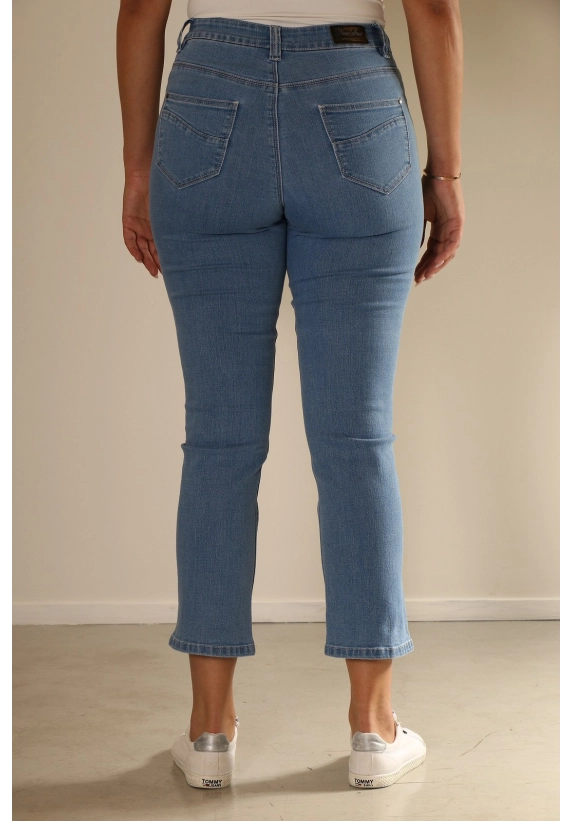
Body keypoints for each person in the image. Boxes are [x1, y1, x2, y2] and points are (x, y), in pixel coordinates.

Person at [117, 0, 464, 791]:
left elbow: (139, 11)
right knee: (357, 440)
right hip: (352, 101)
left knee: (217, 442)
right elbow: (432, 9)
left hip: (206, 106)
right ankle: (373, 727)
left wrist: (139, 169)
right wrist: (443, 173)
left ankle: (209, 729)